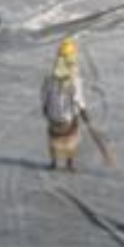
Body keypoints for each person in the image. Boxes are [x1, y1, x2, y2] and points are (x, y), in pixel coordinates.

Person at [40, 38, 88, 172]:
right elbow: (78, 99)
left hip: (52, 116)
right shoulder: (74, 79)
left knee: (53, 138)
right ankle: (70, 163)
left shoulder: (49, 77)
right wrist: (84, 113)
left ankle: (54, 162)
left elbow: (44, 95)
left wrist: (45, 108)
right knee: (72, 138)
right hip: (67, 118)